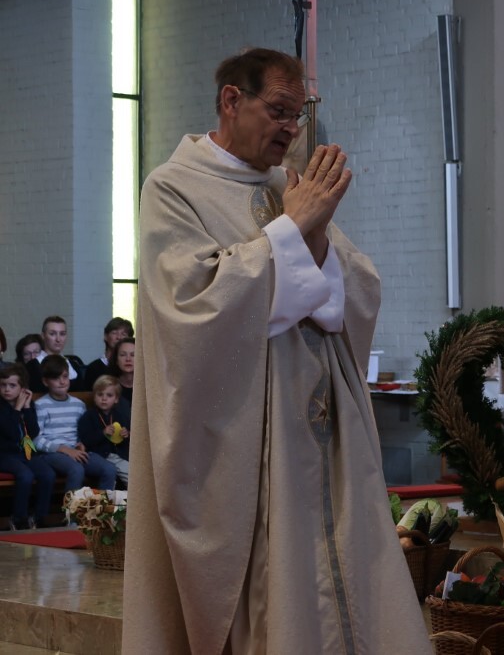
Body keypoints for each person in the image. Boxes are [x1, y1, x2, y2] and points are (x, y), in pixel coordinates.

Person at [122, 47, 431, 654]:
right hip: (244, 444)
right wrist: (292, 230)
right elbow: (193, 306)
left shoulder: (288, 187)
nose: (291, 128)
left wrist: (312, 234)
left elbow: (355, 288)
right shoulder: (173, 189)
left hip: (317, 439)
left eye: (298, 115)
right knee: (272, 589)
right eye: (280, 111)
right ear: (232, 100)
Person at [33, 355, 116, 492]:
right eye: (56, 378)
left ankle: (102, 505)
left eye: (65, 376)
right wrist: (64, 449)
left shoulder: (78, 405)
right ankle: (73, 506)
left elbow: (83, 431)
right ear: (45, 381)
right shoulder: (40, 405)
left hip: (76, 451)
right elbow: (35, 439)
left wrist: (81, 443)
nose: (62, 382)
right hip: (52, 453)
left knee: (109, 469)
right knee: (76, 469)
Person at [0, 363, 56, 530]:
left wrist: (26, 407)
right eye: (3, 385)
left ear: (22, 388)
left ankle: (39, 517)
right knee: (25, 475)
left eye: (12, 385)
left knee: (48, 474)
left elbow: (33, 432)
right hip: (4, 454)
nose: (7, 389)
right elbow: (10, 432)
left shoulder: (27, 404)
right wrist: (17, 409)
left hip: (25, 452)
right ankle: (19, 518)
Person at [77, 375, 130, 487]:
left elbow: (124, 442)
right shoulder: (88, 416)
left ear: (116, 399)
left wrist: (126, 435)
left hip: (117, 456)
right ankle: (106, 498)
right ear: (94, 397)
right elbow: (86, 440)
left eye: (109, 395)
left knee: (132, 474)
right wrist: (103, 433)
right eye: (100, 394)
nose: (104, 398)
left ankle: (134, 498)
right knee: (110, 475)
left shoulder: (120, 416)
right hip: (96, 455)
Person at [25, 317, 87, 393]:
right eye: (52, 334)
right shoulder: (32, 366)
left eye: (62, 334)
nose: (58, 339)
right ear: (43, 336)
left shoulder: (74, 365)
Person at [82, 318, 134, 390]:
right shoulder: (94, 368)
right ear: (106, 336)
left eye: (123, 334)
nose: (119, 337)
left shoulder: (132, 367)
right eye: (114, 333)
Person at [109, 337, 135, 404]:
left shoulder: (149, 386)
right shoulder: (108, 386)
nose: (128, 359)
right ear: (116, 360)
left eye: (133, 355)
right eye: (123, 355)